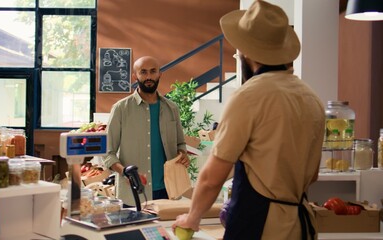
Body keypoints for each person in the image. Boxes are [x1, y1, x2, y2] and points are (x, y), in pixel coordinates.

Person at [172, 1, 325, 240]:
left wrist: (192, 217)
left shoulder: (249, 96)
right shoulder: (311, 98)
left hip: (260, 225)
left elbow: (213, 176)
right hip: (301, 224)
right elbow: (312, 175)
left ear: (248, 52)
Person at [103, 56, 189, 207]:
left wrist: (183, 155)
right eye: (143, 72)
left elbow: (180, 144)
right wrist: (126, 173)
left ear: (159, 74)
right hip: (133, 193)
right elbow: (108, 152)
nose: (148, 77)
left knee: (165, 231)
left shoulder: (172, 109)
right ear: (135, 76)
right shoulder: (120, 109)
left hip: (168, 192)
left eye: (153, 71)